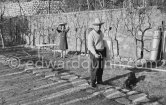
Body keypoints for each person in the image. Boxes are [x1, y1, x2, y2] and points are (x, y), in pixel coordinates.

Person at [88, 18, 106, 88]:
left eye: (99, 25)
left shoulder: (101, 32)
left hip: (101, 51)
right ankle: (92, 82)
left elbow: (102, 41)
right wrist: (95, 53)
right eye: (97, 25)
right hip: (95, 52)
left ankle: (99, 80)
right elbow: (90, 46)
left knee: (101, 67)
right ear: (94, 26)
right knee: (94, 68)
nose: (98, 27)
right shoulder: (91, 34)